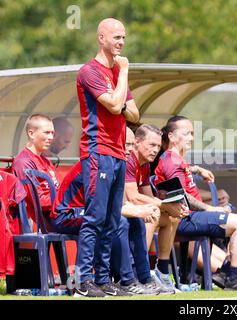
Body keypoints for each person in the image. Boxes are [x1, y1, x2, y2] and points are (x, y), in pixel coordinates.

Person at [52, 128, 166, 296]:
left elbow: (115, 206)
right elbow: (105, 209)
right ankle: (124, 280)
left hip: (88, 213)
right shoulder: (99, 164)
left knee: (134, 221)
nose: (128, 149)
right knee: (119, 221)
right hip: (68, 214)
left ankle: (143, 278)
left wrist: (140, 211)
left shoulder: (116, 164)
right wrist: (138, 210)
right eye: (124, 144)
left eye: (130, 145)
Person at [155, 115, 237, 291]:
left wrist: (197, 169)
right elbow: (183, 197)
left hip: (191, 217)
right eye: (186, 133)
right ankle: (234, 277)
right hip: (185, 218)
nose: (191, 137)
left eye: (192, 133)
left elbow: (181, 173)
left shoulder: (175, 159)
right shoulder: (171, 161)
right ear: (171, 137)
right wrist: (210, 208)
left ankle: (227, 270)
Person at [74, 17, 140, 297]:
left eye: (123, 38)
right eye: (116, 37)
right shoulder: (90, 71)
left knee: (113, 220)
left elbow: (135, 115)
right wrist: (122, 73)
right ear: (101, 38)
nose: (121, 43)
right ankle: (83, 281)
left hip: (118, 153)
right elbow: (114, 106)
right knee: (95, 218)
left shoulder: (119, 76)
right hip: (97, 151)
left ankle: (103, 279)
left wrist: (121, 96)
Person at [124, 124, 187, 293]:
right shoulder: (129, 159)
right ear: (137, 142)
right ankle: (139, 271)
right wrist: (163, 205)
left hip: (132, 211)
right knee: (154, 212)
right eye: (152, 145)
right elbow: (133, 196)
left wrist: (171, 207)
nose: (155, 150)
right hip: (122, 212)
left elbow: (147, 196)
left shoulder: (144, 165)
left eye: (158, 146)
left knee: (172, 217)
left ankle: (162, 272)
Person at [12, 114, 60, 223]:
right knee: (94, 222)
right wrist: (66, 199)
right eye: (47, 132)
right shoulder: (24, 162)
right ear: (31, 133)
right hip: (47, 220)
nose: (51, 138)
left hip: (58, 213)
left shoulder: (46, 161)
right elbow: (38, 201)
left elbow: (58, 189)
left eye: (52, 133)